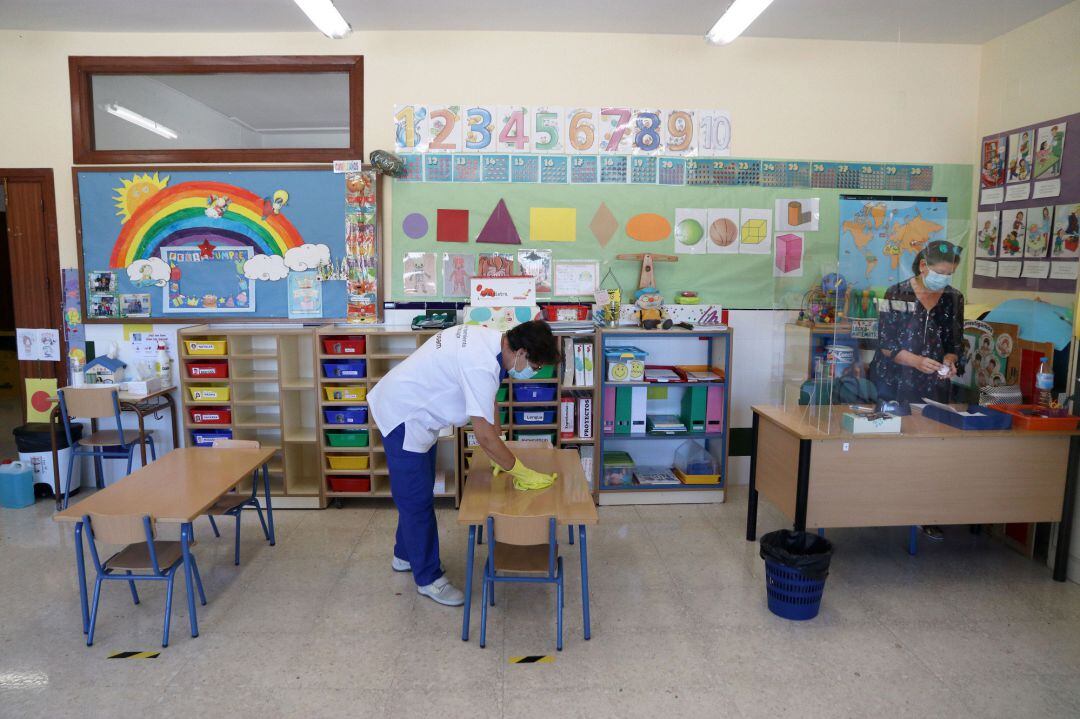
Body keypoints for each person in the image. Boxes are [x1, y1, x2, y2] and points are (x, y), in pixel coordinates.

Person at [366, 320, 561, 606]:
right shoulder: (480, 364)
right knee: (417, 499)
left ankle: (404, 555)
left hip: (414, 408)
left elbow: (488, 399)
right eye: (535, 365)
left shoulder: (493, 341)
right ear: (521, 352)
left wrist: (500, 445)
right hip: (404, 416)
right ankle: (429, 579)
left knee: (414, 493)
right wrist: (519, 470)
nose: (534, 372)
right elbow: (482, 434)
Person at [869, 241, 964, 541]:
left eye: (949, 274)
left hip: (933, 385)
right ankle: (883, 509)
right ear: (923, 266)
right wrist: (916, 361)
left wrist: (949, 362)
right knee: (892, 448)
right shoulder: (896, 294)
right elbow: (885, 344)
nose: (944, 279)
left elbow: (954, 344)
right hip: (894, 381)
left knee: (929, 450)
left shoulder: (953, 299)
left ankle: (925, 513)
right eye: (939, 272)